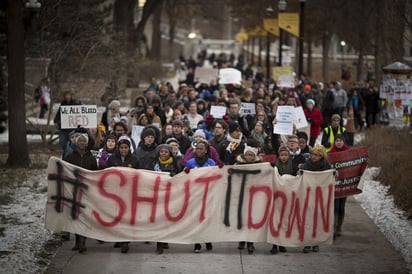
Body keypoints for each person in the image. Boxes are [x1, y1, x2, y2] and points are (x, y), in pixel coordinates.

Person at [65, 132, 98, 253]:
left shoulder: (91, 158)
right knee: (75, 217)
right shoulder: (70, 157)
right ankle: (77, 241)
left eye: (84, 141)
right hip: (74, 191)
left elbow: (95, 174)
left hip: (87, 192)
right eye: (80, 141)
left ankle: (82, 243)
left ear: (87, 143)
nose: (82, 143)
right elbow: (65, 171)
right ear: (76, 143)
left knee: (84, 216)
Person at [106, 136, 139, 253]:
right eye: (121, 147)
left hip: (129, 193)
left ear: (129, 148)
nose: (123, 150)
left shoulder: (134, 160)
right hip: (116, 193)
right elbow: (105, 172)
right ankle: (118, 238)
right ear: (118, 148)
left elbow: (139, 175)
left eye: (126, 147)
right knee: (117, 216)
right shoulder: (112, 159)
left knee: (126, 217)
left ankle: (125, 241)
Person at [184, 140, 217, 253]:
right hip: (194, 196)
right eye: (197, 149)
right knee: (195, 220)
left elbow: (216, 177)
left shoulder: (212, 163)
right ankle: (197, 243)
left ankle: (207, 240)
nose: (199, 151)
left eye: (201, 149)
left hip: (207, 196)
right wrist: (186, 172)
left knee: (206, 220)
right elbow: (183, 178)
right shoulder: (190, 162)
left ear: (206, 150)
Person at [152, 144, 182, 254]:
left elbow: (180, 177)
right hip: (157, 196)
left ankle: (165, 240)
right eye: (161, 152)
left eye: (166, 152)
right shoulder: (154, 164)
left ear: (170, 153)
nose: (163, 154)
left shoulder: (175, 165)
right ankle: (159, 244)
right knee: (159, 220)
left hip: (170, 196)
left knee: (166, 220)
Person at [301, 144, 331, 253]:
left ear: (321, 156)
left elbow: (329, 177)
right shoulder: (307, 164)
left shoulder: (326, 165)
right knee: (308, 220)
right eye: (313, 154)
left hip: (320, 196)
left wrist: (333, 175)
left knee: (318, 220)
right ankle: (307, 243)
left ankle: (316, 243)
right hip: (308, 195)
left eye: (317, 155)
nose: (314, 157)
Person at [235, 145, 262, 254]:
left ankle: (250, 243)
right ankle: (242, 240)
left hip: (254, 197)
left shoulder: (260, 165)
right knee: (242, 219)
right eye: (247, 154)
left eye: (252, 155)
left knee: (251, 220)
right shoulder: (238, 164)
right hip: (241, 196)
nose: (249, 157)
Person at [271, 144, 294, 254]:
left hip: (288, 197)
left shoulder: (293, 165)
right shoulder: (274, 166)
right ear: (279, 155)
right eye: (282, 155)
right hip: (276, 197)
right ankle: (274, 245)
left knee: (284, 222)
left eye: (286, 155)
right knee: (275, 221)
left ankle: (282, 244)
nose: (284, 157)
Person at [328, 134, 349, 238]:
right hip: (335, 185)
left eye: (341, 140)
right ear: (334, 142)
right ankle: (333, 228)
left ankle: (339, 227)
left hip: (344, 184)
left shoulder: (349, 154)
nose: (339, 142)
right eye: (337, 140)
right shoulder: (331, 154)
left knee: (341, 206)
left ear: (343, 142)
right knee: (335, 206)